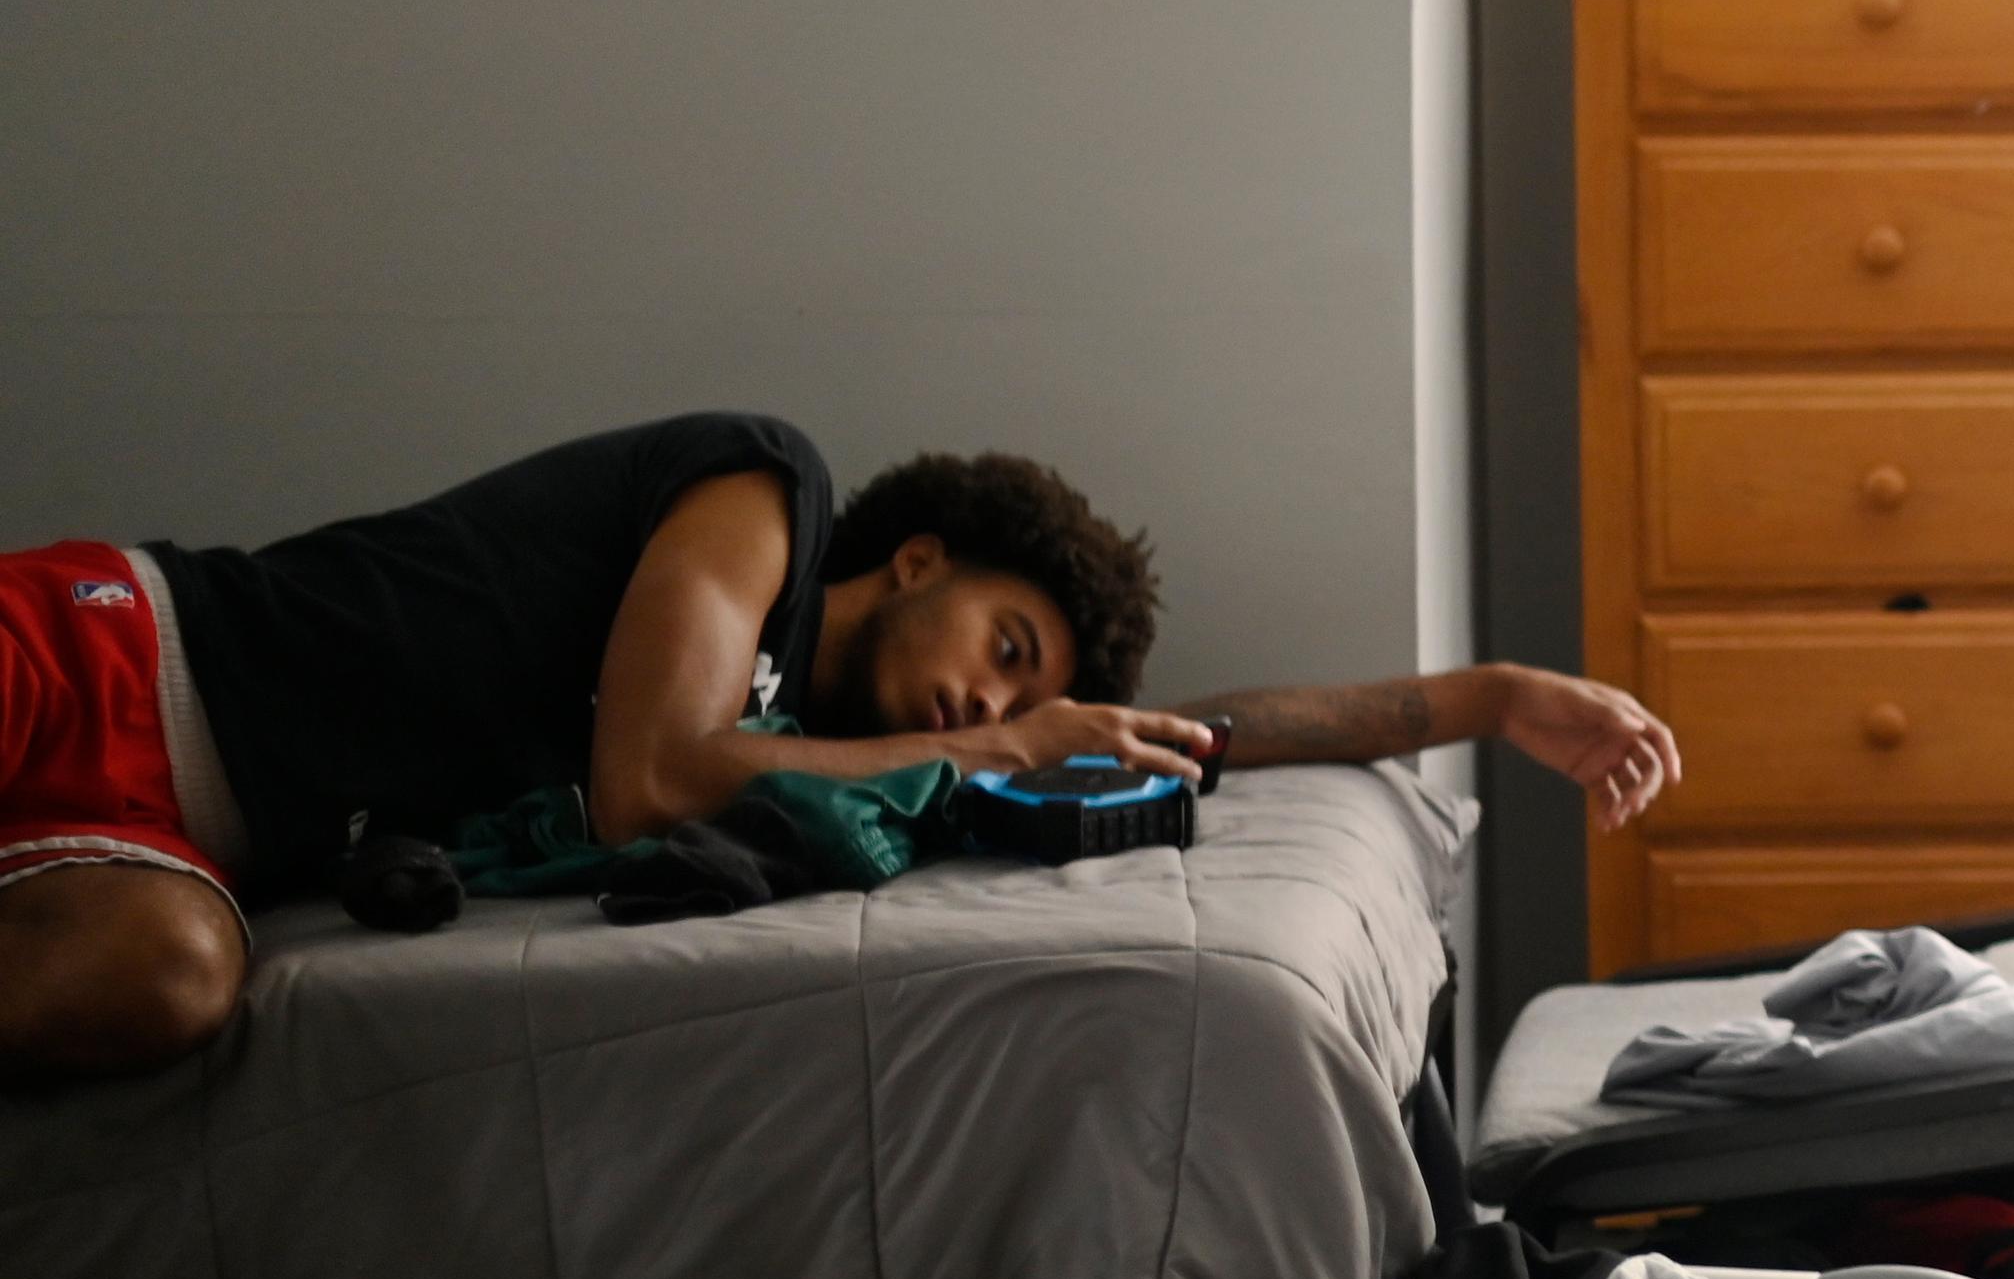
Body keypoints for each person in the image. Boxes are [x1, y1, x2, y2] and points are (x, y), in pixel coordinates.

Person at [0, 411, 1676, 1083]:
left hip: (181, 839)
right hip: (106, 650)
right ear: (921, 560)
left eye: (1019, 693)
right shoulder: (759, 491)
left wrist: (1482, 699)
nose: (988, 708)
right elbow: (647, 781)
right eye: (1004, 648)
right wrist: (1019, 735)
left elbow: (1192, 732)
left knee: (172, 981)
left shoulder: (796, 749)